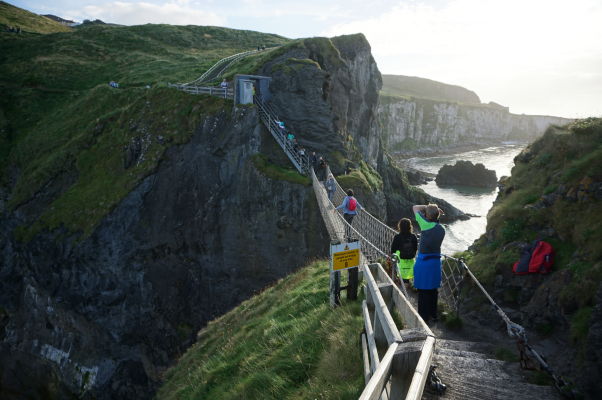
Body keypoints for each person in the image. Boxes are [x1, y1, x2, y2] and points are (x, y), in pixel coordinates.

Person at [412, 204, 445, 324]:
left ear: (426, 216)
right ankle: (433, 315)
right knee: (433, 290)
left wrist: (426, 207)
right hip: (435, 264)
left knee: (423, 291)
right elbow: (436, 222)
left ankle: (423, 318)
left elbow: (415, 207)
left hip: (424, 263)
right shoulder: (442, 229)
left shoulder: (425, 225)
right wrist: (435, 211)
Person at [390, 218, 418, 287]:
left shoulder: (397, 237)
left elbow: (393, 250)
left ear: (400, 226)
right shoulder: (413, 236)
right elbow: (415, 248)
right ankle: (409, 284)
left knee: (402, 275)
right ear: (410, 226)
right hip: (411, 261)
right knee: (409, 274)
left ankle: (402, 284)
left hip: (400, 262)